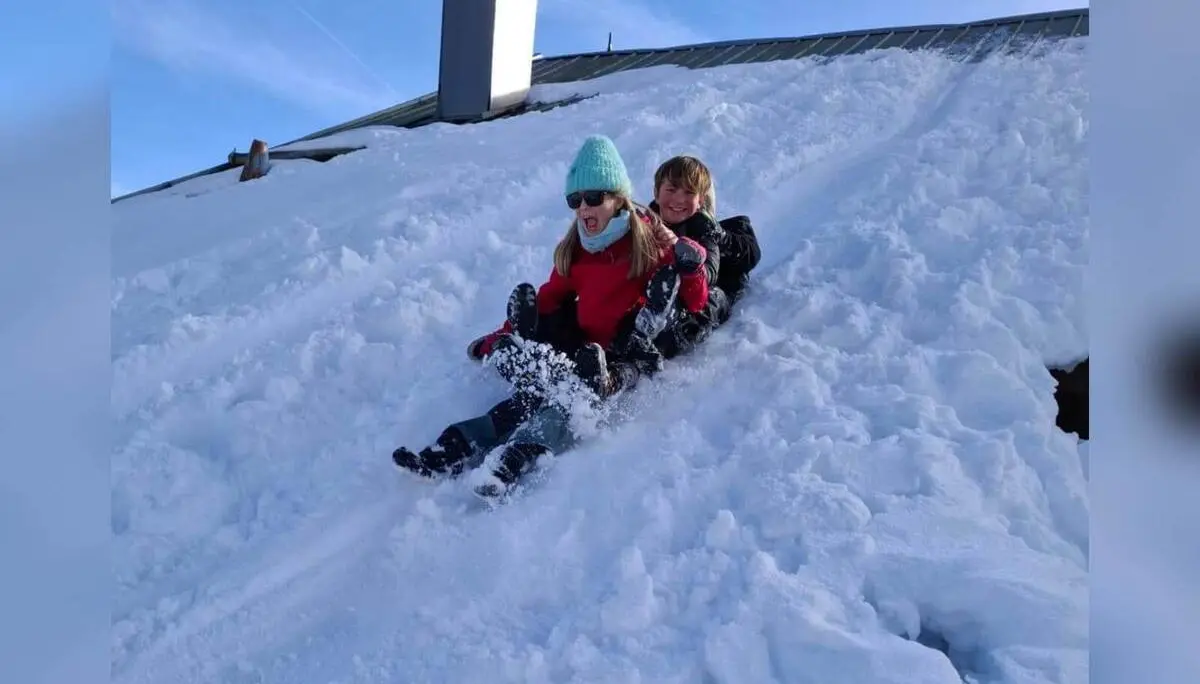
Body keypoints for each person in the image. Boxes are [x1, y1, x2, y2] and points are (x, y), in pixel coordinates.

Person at [392, 134, 711, 499]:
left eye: (594, 198)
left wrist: (693, 267)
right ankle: (448, 449)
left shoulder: (648, 237)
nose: (584, 208)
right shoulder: (577, 247)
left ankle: (511, 461)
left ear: (618, 198)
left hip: (624, 351)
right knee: (529, 397)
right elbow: (549, 297)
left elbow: (695, 301)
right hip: (581, 349)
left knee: (564, 405)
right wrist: (499, 335)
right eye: (575, 200)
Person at [646, 155, 762, 359]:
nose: (679, 199)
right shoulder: (646, 225)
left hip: (696, 295)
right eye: (671, 190)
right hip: (655, 294)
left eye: (689, 192)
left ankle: (661, 347)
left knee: (711, 302)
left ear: (701, 201)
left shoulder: (705, 230)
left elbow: (711, 272)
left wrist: (716, 239)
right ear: (657, 193)